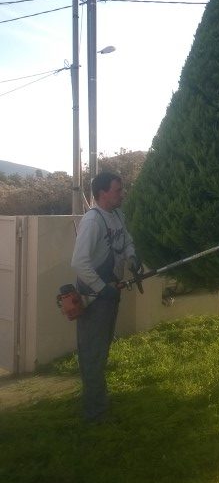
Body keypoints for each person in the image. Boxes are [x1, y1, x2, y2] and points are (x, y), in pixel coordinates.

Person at [71, 171, 142, 423]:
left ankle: (98, 402)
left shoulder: (117, 215)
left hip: (111, 293)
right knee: (92, 353)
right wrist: (102, 288)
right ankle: (95, 413)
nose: (123, 194)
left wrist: (131, 258)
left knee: (101, 350)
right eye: (118, 190)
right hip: (94, 297)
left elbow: (127, 241)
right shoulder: (93, 221)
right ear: (102, 193)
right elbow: (79, 262)